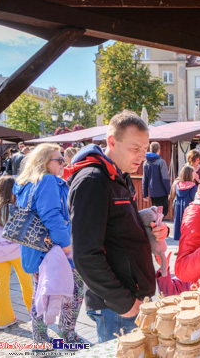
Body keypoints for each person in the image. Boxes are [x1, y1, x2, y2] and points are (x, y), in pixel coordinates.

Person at [64, 111, 168, 343]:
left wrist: (151, 229)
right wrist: (124, 303)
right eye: (135, 148)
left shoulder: (118, 175)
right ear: (112, 141)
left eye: (144, 148)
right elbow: (85, 254)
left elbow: (118, 229)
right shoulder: (93, 180)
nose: (142, 156)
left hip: (132, 297)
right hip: (117, 306)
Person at [13, 143, 84, 344]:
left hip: (35, 250)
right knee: (75, 289)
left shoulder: (26, 182)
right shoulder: (47, 180)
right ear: (45, 162)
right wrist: (67, 246)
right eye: (59, 159)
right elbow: (51, 216)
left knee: (41, 293)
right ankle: (68, 335)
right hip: (53, 250)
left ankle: (40, 341)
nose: (63, 163)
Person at [0, 176, 33, 329]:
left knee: (1, 285)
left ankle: (3, 320)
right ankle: (35, 313)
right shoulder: (16, 207)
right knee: (26, 282)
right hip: (17, 251)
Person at [142, 141, 171, 217]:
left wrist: (145, 194)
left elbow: (145, 179)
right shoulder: (161, 162)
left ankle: (156, 226)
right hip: (162, 192)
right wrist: (169, 191)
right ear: (159, 150)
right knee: (163, 212)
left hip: (152, 193)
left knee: (155, 213)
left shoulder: (145, 163)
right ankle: (159, 227)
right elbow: (165, 179)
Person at [170, 165, 198, 241]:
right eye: (193, 173)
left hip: (178, 209)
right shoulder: (193, 186)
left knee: (179, 227)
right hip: (189, 210)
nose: (194, 174)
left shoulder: (177, 185)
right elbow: (193, 198)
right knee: (188, 228)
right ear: (190, 174)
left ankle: (179, 248)